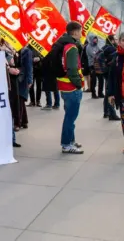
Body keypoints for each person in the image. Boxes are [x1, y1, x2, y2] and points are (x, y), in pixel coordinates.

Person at [48, 21, 85, 154]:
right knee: (70, 117)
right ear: (75, 32)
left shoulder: (64, 44)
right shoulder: (72, 47)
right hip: (72, 88)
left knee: (70, 115)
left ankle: (70, 140)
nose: (81, 34)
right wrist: (78, 84)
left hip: (64, 86)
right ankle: (66, 144)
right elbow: (72, 69)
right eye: (80, 31)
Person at [100, 35, 119, 120]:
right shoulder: (112, 49)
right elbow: (112, 61)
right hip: (109, 72)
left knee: (108, 93)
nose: (117, 40)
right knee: (110, 93)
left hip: (105, 72)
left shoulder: (105, 47)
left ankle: (106, 112)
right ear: (111, 40)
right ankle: (112, 113)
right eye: (115, 39)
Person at [16, 45, 33, 128]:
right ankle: (24, 121)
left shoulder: (27, 51)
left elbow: (29, 67)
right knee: (20, 99)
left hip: (23, 78)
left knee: (20, 99)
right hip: (18, 77)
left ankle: (19, 122)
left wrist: (30, 80)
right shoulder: (17, 50)